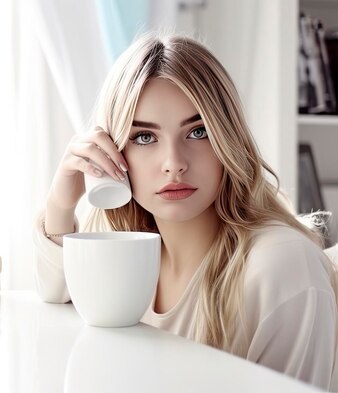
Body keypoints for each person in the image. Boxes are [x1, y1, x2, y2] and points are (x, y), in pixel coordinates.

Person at [33, 33, 338, 391]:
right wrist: (61, 201)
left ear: (229, 138)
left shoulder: (280, 266)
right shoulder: (127, 251)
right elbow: (54, 296)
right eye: (145, 137)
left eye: (198, 132)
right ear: (115, 152)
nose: (174, 164)